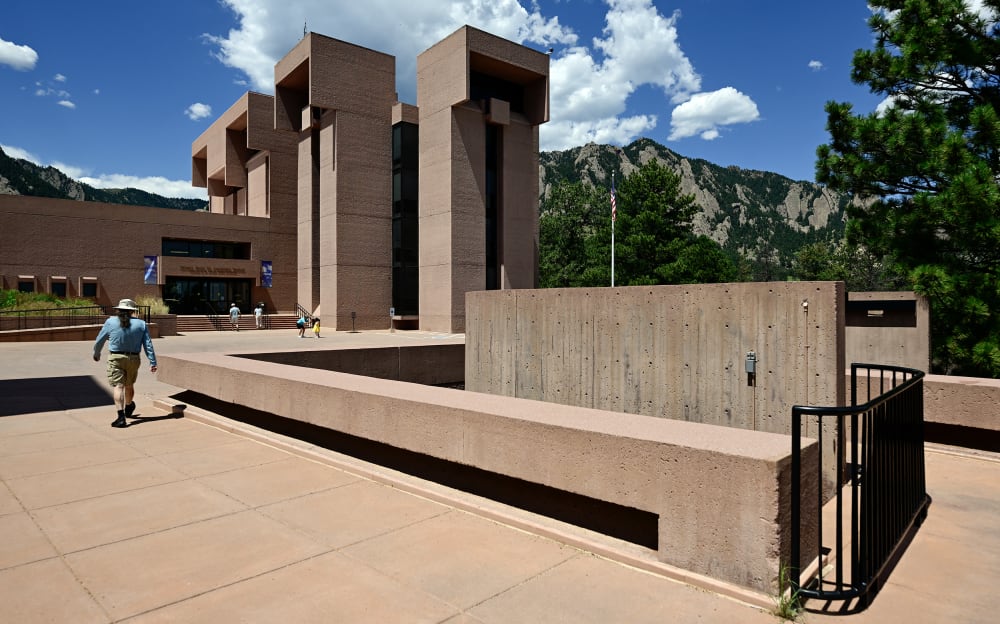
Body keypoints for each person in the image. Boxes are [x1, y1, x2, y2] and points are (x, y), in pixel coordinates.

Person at [92, 298, 158, 428]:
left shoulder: (110, 322)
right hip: (133, 359)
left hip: (116, 357)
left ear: (118, 309)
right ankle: (129, 405)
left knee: (119, 386)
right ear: (132, 311)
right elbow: (148, 344)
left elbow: (100, 339)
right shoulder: (141, 324)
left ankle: (121, 417)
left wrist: (96, 353)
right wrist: (152, 361)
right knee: (129, 385)